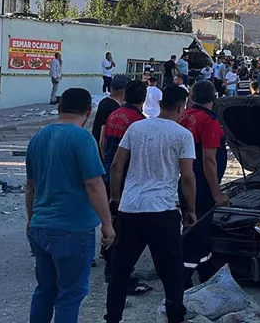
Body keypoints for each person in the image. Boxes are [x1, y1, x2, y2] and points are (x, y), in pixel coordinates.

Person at [105, 86, 197, 323]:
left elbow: (116, 165)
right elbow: (187, 176)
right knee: (171, 271)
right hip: (162, 210)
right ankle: (175, 316)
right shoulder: (182, 135)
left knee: (120, 269)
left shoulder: (136, 128)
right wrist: (191, 209)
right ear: (181, 107)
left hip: (130, 207)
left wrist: (116, 197)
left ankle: (112, 317)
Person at [25, 88, 115, 323]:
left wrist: (30, 218)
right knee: (70, 295)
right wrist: (107, 224)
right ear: (89, 111)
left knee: (45, 291)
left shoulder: (39, 137)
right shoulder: (82, 139)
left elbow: (31, 186)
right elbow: (94, 184)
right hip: (72, 228)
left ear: (59, 108)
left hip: (40, 226)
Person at [178, 81, 230, 287]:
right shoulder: (209, 122)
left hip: (186, 180)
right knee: (196, 232)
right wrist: (217, 194)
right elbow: (209, 161)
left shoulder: (186, 116)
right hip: (201, 185)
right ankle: (182, 279)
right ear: (214, 98)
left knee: (200, 230)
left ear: (192, 97)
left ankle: (206, 271)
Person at [99, 81, 148, 290]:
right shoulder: (139, 121)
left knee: (111, 220)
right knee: (125, 227)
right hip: (126, 176)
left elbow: (103, 142)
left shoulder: (114, 114)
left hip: (108, 172)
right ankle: (117, 271)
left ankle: (110, 262)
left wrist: (106, 163)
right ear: (143, 99)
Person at [92, 75, 131, 153]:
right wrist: (105, 157)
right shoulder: (113, 109)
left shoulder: (104, 102)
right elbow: (102, 141)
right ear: (124, 91)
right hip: (105, 153)